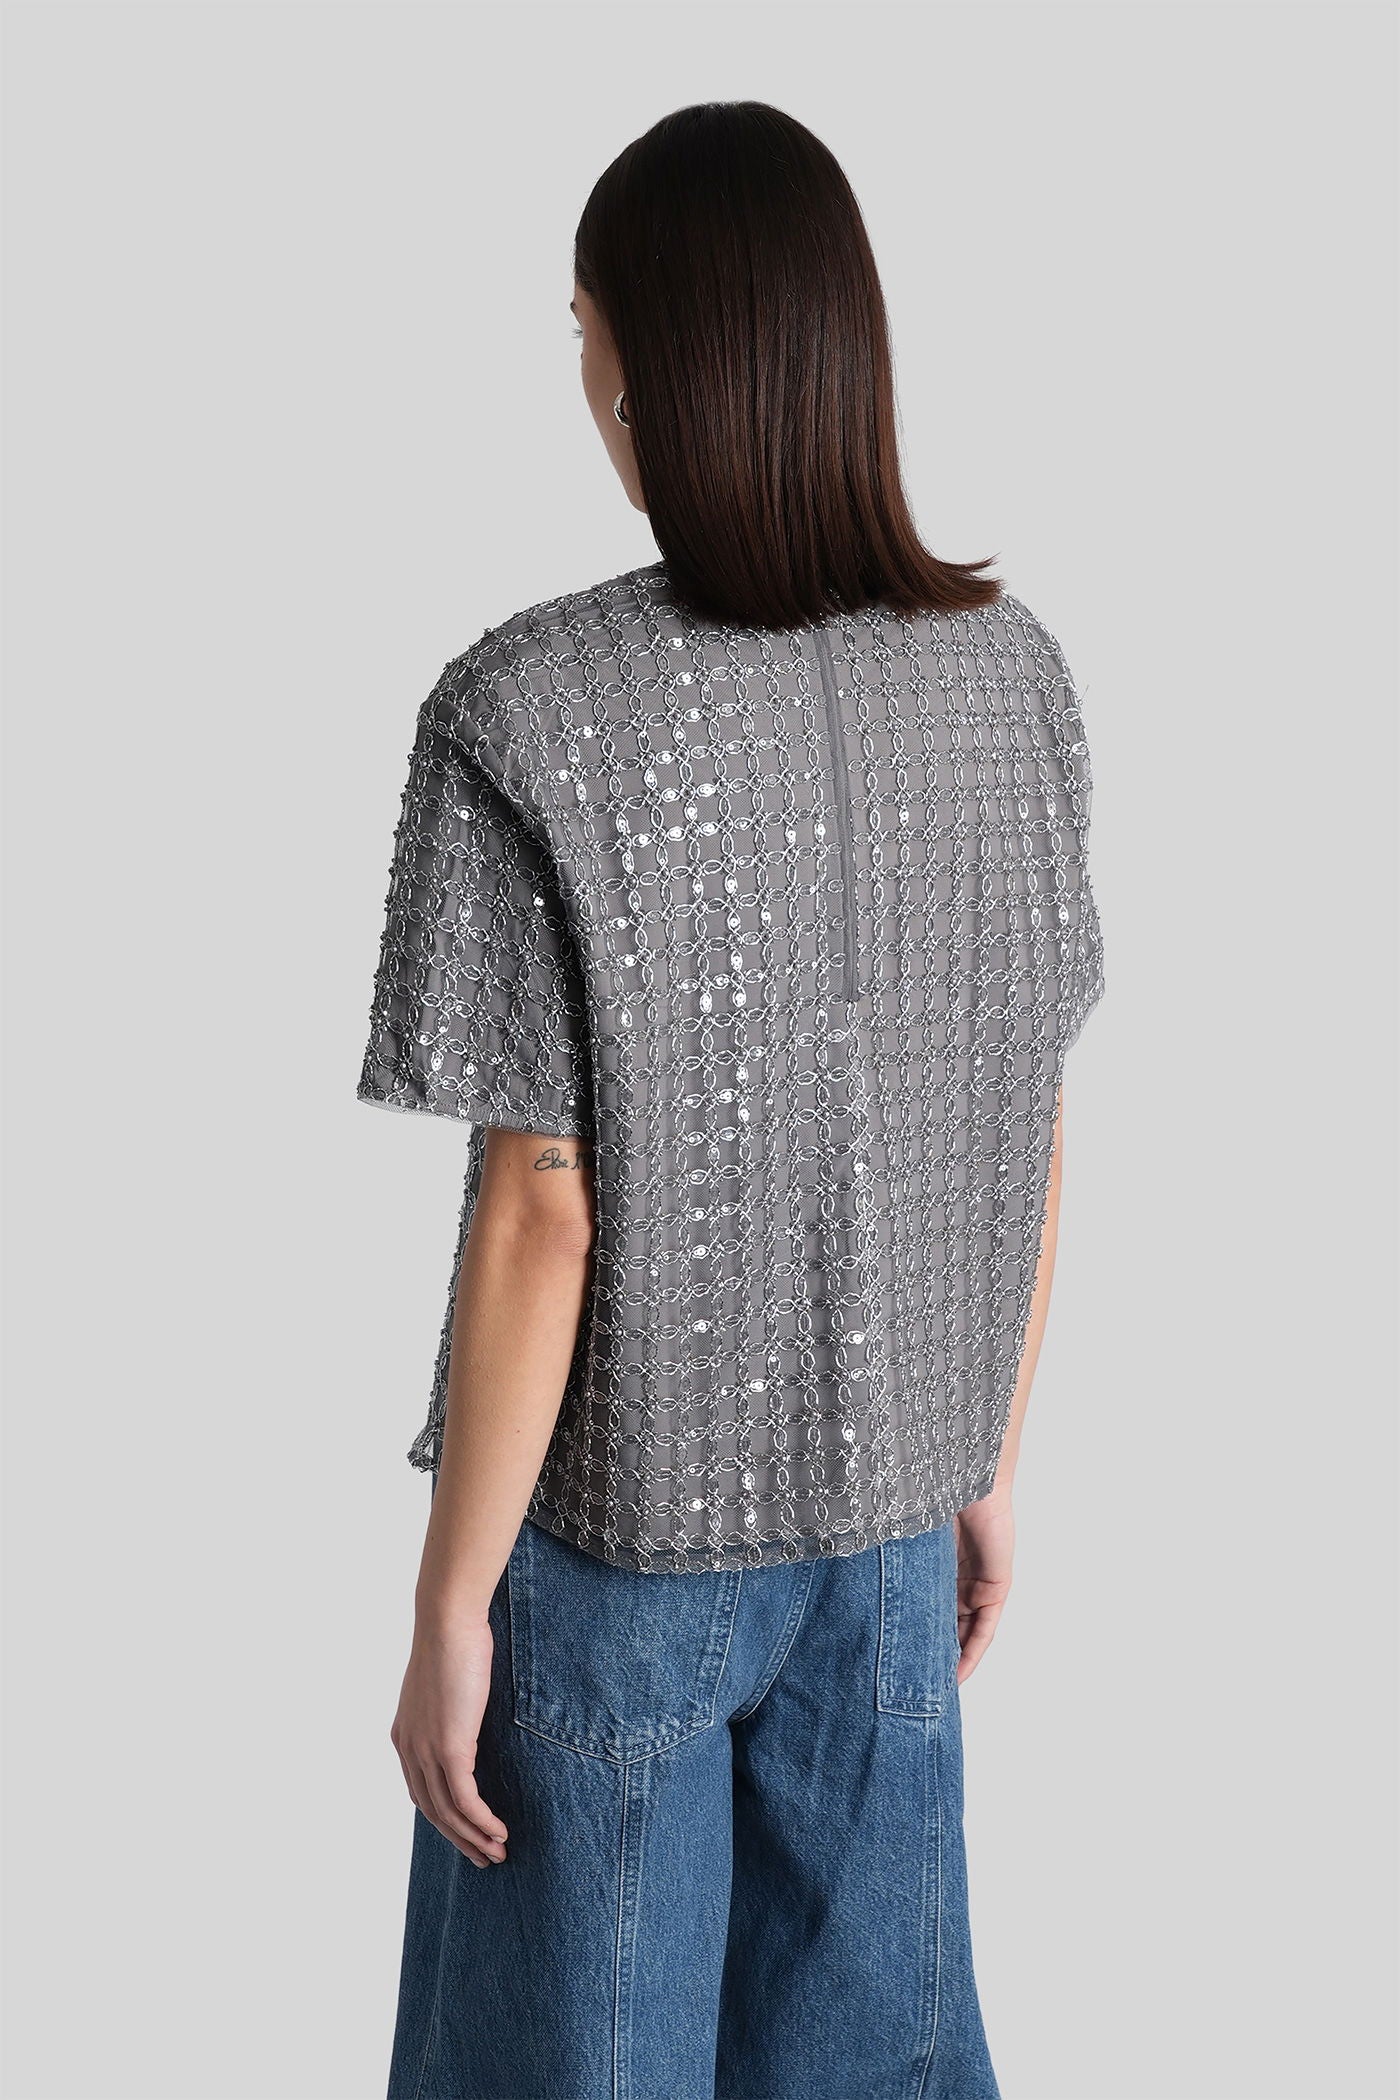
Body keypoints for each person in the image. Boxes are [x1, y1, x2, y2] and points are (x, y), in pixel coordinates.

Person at [356, 99, 1105, 2100]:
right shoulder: (1011, 677)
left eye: (579, 325)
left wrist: (450, 1607)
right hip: (889, 1545)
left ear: (642, 360)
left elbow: (543, 1205)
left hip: (614, 1560)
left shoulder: (526, 709)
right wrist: (983, 1453)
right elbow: (1017, 1102)